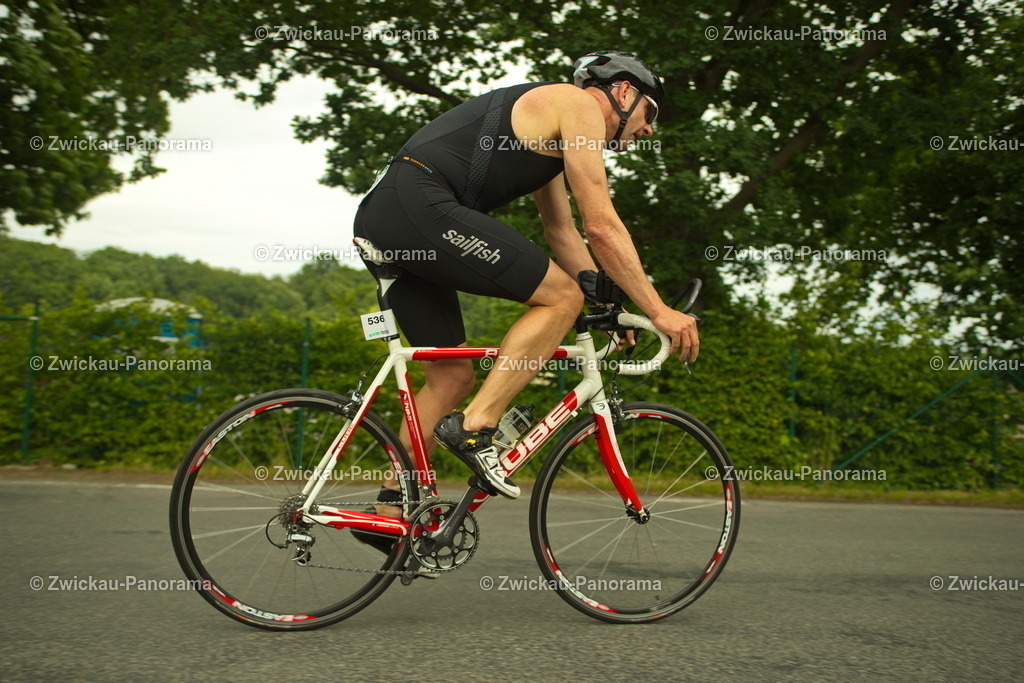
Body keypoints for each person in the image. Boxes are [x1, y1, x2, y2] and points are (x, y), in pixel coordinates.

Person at [352, 51, 699, 522]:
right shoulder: (576, 106)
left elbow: (564, 233)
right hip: (418, 203)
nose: (649, 128)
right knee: (559, 296)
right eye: (649, 112)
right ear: (621, 91)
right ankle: (477, 428)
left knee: (451, 378)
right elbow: (602, 226)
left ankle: (390, 505)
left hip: (393, 215)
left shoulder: (552, 135)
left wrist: (608, 305)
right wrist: (658, 310)